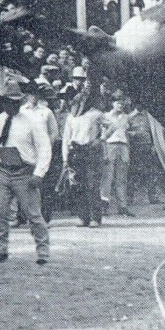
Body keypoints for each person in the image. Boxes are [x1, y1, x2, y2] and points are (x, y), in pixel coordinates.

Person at [0, 79, 52, 265]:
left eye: (16, 101)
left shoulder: (32, 121)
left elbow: (44, 148)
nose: (12, 105)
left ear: (20, 102)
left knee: (33, 214)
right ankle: (0, 250)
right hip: (2, 171)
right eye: (8, 101)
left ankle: (43, 251)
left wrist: (39, 173)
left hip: (24, 172)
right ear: (3, 102)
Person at [62, 82, 105, 227]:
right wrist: (65, 157)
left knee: (92, 185)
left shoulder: (95, 114)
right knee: (78, 185)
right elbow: (66, 138)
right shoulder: (71, 117)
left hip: (90, 151)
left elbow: (111, 125)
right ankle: (83, 217)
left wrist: (100, 139)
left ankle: (95, 217)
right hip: (75, 151)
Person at [21, 84, 61, 222]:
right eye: (30, 94)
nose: (33, 97)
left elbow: (54, 132)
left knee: (44, 186)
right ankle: (23, 217)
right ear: (26, 96)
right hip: (27, 153)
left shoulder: (46, 112)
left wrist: (46, 148)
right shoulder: (21, 111)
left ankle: (45, 217)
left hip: (43, 153)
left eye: (35, 94)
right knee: (24, 184)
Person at [100, 90, 139, 217]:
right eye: (117, 102)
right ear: (112, 103)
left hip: (123, 147)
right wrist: (104, 151)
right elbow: (103, 136)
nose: (120, 105)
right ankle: (104, 206)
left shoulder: (125, 117)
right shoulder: (105, 116)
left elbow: (129, 131)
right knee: (107, 177)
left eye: (122, 103)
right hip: (110, 145)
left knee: (122, 178)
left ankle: (122, 206)